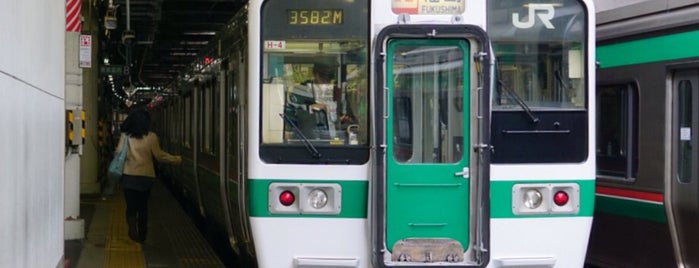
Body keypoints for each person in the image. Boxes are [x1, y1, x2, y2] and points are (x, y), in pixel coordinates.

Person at [114, 110, 182, 243]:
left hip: (129, 176)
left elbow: (118, 152)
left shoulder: (125, 136)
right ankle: (143, 234)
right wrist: (176, 159)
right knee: (143, 206)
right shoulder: (151, 137)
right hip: (146, 177)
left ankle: (132, 229)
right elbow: (159, 156)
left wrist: (128, 157)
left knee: (131, 206)